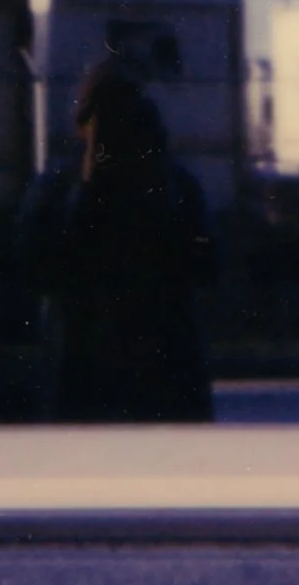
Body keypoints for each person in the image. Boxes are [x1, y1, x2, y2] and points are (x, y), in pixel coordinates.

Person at [15, 56, 218, 423]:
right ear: (84, 125)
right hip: (86, 368)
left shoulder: (176, 186)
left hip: (162, 372)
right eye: (107, 113)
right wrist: (88, 188)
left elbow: (206, 265)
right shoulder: (58, 188)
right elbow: (36, 268)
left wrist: (158, 183)